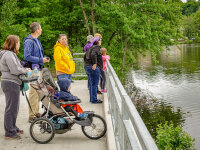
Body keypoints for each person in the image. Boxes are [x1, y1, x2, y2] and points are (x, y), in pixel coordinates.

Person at [0, 35, 27, 139]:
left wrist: (23, 69)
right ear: (14, 43)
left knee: (14, 107)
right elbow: (15, 70)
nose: (19, 44)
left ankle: (13, 127)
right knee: (11, 108)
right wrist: (25, 71)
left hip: (11, 82)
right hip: (10, 83)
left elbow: (17, 67)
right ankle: (9, 132)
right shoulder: (8, 55)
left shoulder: (9, 54)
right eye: (18, 42)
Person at [24, 22, 50, 123]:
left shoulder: (36, 40)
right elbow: (27, 56)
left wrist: (44, 59)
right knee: (34, 92)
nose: (42, 30)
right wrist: (40, 60)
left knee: (38, 92)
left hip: (39, 69)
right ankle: (32, 116)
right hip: (33, 70)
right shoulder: (29, 41)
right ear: (37, 30)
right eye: (41, 28)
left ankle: (36, 112)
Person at [84, 37, 103, 104]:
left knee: (92, 84)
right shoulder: (96, 47)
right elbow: (93, 54)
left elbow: (85, 56)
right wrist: (95, 64)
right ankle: (94, 100)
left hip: (88, 67)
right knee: (94, 84)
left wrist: (87, 65)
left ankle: (92, 99)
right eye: (100, 40)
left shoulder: (91, 47)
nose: (101, 41)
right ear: (97, 41)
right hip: (93, 68)